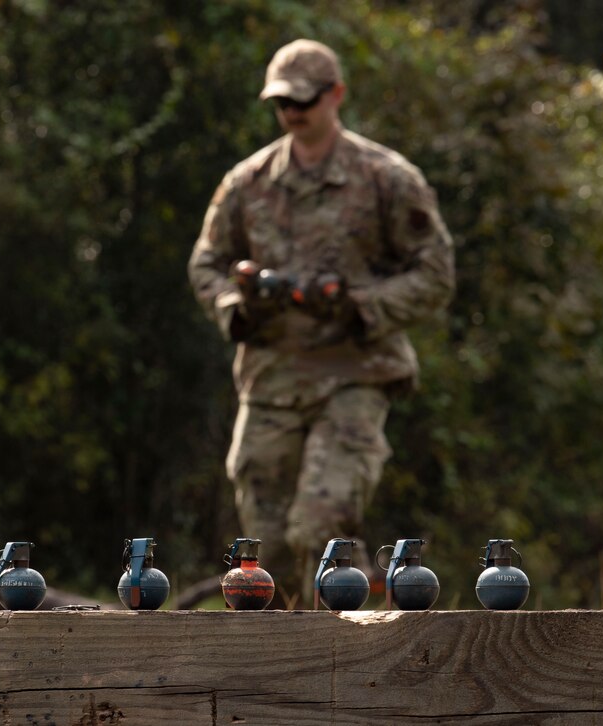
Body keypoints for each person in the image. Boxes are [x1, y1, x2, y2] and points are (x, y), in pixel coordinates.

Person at [188, 39, 455, 607]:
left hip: (354, 373)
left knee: (324, 529)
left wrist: (360, 304)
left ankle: (348, 665)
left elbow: (435, 273)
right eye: (282, 101)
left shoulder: (385, 178)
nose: (293, 111)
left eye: (305, 98)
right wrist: (236, 304)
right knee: (262, 549)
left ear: (336, 94)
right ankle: (275, 673)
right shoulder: (248, 182)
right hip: (272, 378)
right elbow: (205, 264)